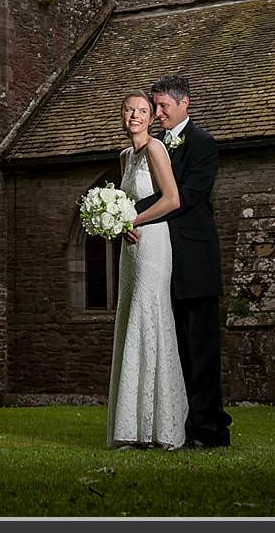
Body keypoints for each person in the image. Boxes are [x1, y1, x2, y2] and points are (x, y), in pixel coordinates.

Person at [127, 74, 233, 449]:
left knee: (200, 350)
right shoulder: (155, 146)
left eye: (162, 107)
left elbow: (185, 197)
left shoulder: (203, 143)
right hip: (160, 261)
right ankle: (180, 424)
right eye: (154, 107)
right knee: (176, 350)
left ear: (184, 103)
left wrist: (126, 213)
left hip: (194, 260)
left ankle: (211, 430)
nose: (157, 114)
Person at [106, 92, 187, 448]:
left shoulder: (156, 149)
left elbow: (172, 199)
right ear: (121, 115)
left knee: (148, 318)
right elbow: (124, 201)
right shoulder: (125, 156)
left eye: (142, 111)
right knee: (130, 319)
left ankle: (161, 428)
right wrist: (116, 223)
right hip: (130, 248)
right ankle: (132, 426)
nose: (134, 116)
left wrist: (133, 219)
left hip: (153, 244)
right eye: (128, 110)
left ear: (152, 118)